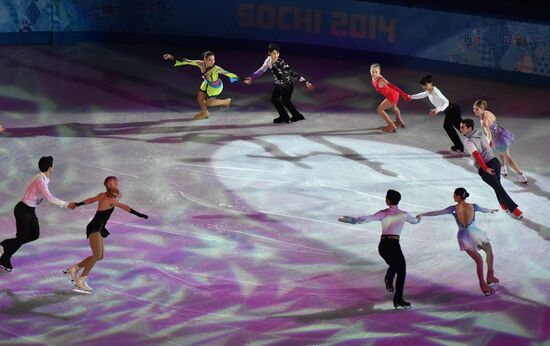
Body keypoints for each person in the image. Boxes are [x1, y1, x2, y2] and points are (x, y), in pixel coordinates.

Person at [64, 176, 148, 294]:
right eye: (110, 183)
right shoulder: (109, 198)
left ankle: (74, 268)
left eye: (114, 182)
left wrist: (78, 204)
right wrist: (139, 214)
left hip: (98, 227)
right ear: (107, 185)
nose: (113, 184)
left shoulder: (104, 195)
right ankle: (82, 280)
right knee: (97, 255)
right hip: (95, 228)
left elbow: (91, 200)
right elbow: (126, 207)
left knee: (99, 256)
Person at [338, 190, 420, 309]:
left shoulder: (383, 213)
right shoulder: (404, 214)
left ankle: (394, 290)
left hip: (383, 245)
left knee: (398, 267)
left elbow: (367, 218)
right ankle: (396, 295)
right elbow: (415, 221)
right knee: (400, 269)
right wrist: (418, 217)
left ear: (388, 200)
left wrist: (354, 220)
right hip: (394, 244)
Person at [417, 188, 499, 295]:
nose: (453, 197)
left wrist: (422, 214)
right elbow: (484, 209)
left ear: (458, 196)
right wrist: (491, 210)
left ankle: (486, 281)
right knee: (488, 251)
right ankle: (489, 276)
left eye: (454, 195)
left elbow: (437, 213)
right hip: (475, 233)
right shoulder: (473, 206)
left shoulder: (453, 208)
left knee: (480, 259)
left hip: (464, 236)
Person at [0, 156, 76, 271]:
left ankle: (5, 245)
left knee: (34, 235)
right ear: (50, 167)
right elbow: (50, 198)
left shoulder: (43, 178)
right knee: (21, 238)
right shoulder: (40, 180)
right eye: (52, 165)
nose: (53, 166)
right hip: (23, 210)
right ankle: (4, 258)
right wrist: (67, 204)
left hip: (30, 210)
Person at [459, 118, 523, 218]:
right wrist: (487, 150)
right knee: (497, 187)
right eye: (460, 127)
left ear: (469, 128)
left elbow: (477, 155)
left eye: (463, 127)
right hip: (495, 162)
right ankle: (503, 205)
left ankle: (514, 209)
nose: (460, 129)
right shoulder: (480, 132)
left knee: (498, 188)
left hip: (486, 167)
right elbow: (490, 142)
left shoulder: (468, 141)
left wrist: (485, 169)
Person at [244, 43, 314, 124]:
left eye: (277, 53)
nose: (276, 55)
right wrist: (252, 77)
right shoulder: (268, 60)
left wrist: (306, 82)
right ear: (269, 53)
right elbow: (261, 70)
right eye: (274, 53)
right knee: (274, 99)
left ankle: (297, 116)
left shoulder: (282, 64)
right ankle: (284, 116)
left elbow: (293, 73)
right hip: (279, 84)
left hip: (287, 85)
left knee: (286, 101)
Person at [163, 51, 240, 120]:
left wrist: (242, 79)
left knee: (209, 103)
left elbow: (228, 73)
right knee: (199, 98)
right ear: (205, 59)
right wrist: (171, 57)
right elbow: (187, 61)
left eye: (213, 60)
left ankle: (226, 101)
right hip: (207, 83)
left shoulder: (216, 68)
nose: (212, 62)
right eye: (210, 60)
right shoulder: (200, 63)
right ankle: (205, 113)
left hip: (215, 87)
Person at [473, 99, 527, 183]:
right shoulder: (488, 113)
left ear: (482, 109)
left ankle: (521, 175)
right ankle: (503, 169)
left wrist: (487, 145)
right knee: (501, 153)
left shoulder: (483, 121)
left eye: (477, 109)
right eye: (474, 108)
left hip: (499, 139)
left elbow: (489, 135)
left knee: (507, 157)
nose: (474, 111)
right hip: (503, 133)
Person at [408, 74, 464, 152]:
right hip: (449, 111)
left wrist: (437, 110)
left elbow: (446, 102)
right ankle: (459, 145)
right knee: (449, 127)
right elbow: (421, 95)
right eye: (422, 85)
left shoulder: (436, 91)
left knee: (462, 128)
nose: (424, 87)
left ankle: (472, 141)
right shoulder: (428, 91)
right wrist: (411, 97)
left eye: (425, 85)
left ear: (431, 83)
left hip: (453, 109)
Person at [370, 63, 411, 133]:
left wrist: (404, 94)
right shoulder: (373, 77)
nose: (374, 74)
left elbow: (393, 87)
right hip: (393, 94)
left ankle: (391, 125)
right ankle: (399, 121)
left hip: (392, 96)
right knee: (393, 108)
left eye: (376, 72)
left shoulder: (382, 80)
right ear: (370, 71)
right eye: (372, 72)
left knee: (379, 110)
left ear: (379, 72)